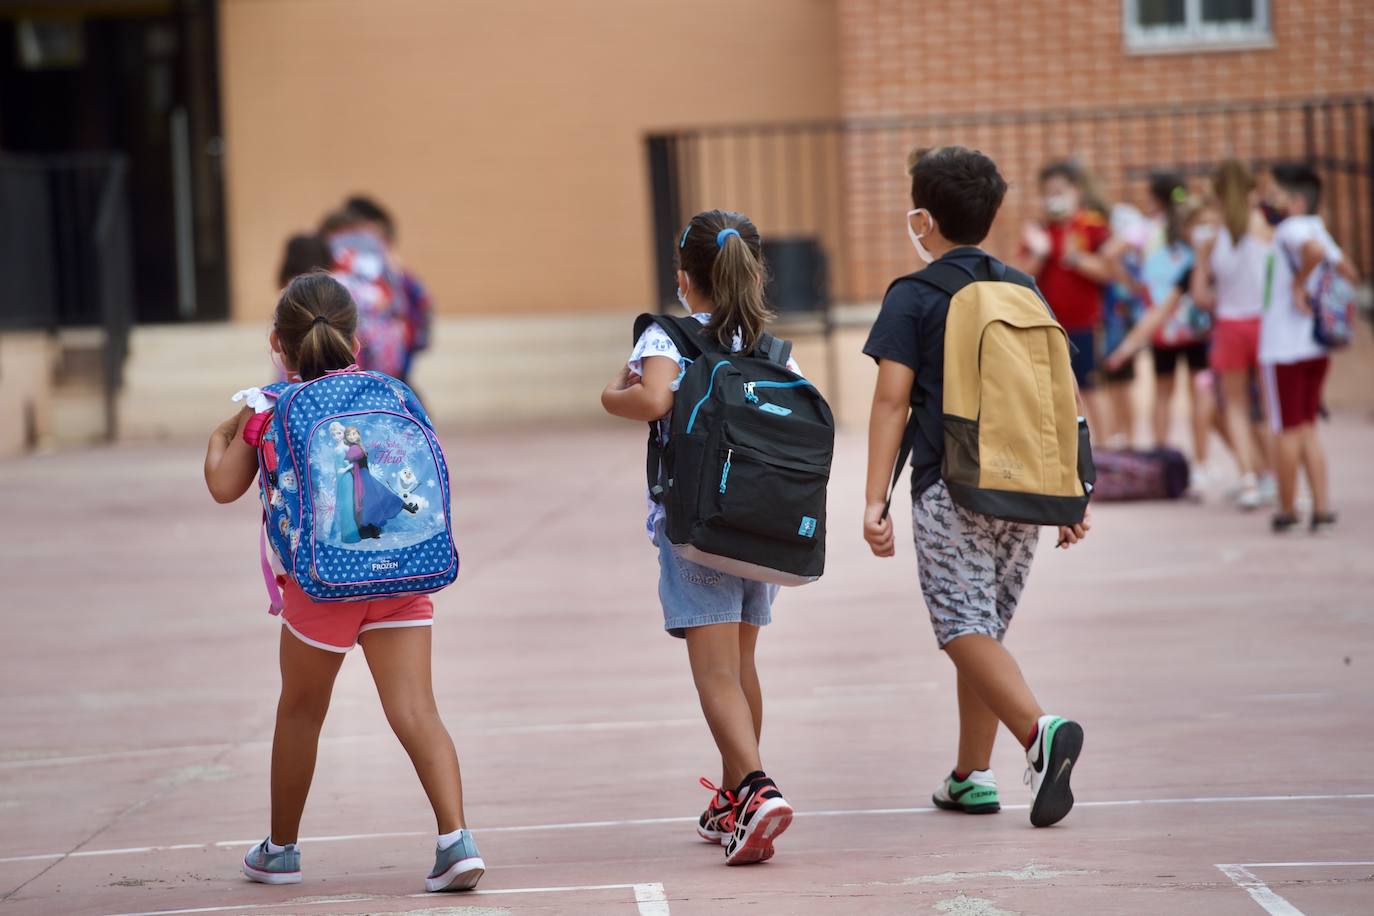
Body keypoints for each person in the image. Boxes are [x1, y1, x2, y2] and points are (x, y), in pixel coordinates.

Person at [202, 272, 484, 892]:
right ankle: (455, 839)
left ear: (278, 342)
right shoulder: (391, 391)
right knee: (416, 708)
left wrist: (225, 428)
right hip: (403, 571)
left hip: (324, 584)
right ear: (355, 341)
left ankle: (280, 850)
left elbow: (223, 485)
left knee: (301, 712)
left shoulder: (269, 408)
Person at [863, 146, 1087, 829]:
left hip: (950, 487)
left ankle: (1037, 732)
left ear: (922, 219)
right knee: (982, 634)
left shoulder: (915, 294)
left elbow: (890, 402)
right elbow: (1062, 394)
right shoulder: (1024, 288)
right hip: (1022, 491)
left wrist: (874, 499)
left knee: (962, 629)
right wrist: (1074, 487)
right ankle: (971, 776)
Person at [601, 209, 796, 866]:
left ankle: (756, 787)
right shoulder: (767, 344)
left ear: (686, 280)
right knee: (741, 668)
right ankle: (734, 797)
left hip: (696, 529)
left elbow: (653, 401)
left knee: (713, 671)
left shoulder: (667, 337)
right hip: (761, 528)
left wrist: (610, 396)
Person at [1260, 164, 1358, 534]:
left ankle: (1287, 508)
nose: (1270, 201)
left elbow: (1314, 253)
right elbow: (1348, 270)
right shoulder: (1317, 226)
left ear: (1296, 200)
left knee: (1286, 429)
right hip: (1314, 345)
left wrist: (1299, 284)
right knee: (1307, 428)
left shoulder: (1292, 228)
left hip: (1285, 346)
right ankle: (1320, 507)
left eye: (1276, 194)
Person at [1190, 160, 1276, 510]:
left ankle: (1249, 480)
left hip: (1229, 327)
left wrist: (1221, 298)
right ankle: (1280, 478)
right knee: (1270, 409)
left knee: (1237, 409)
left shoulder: (1210, 238)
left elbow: (1199, 296)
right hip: (1265, 326)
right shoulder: (1264, 229)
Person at [1018, 160, 1113, 434]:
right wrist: (1040, 253)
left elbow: (1106, 272)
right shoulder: (1038, 231)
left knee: (1091, 389)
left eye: (1060, 191)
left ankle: (1106, 451)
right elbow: (1020, 276)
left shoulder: (1091, 226)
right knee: (1050, 393)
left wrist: (1076, 258)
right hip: (1046, 325)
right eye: (1048, 193)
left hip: (1084, 325)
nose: (1054, 199)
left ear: (1075, 192)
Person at [1138, 174, 1214, 479]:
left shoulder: (1148, 232)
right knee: (1199, 393)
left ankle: (1160, 458)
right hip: (1196, 324)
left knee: (1162, 393)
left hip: (1162, 325)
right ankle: (1202, 463)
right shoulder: (1197, 232)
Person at [346, 194, 435, 386]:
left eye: (378, 242)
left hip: (392, 366)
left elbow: (421, 309)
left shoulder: (401, 279)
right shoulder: (345, 282)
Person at [320, 208, 412, 381]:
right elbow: (395, 297)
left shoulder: (330, 252)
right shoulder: (375, 250)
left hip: (344, 339)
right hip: (377, 337)